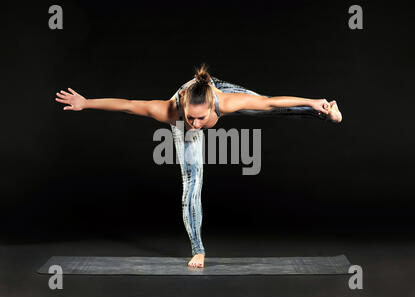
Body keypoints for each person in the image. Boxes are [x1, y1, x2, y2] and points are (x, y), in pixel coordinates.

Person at [55, 63, 342, 268]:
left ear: (211, 109)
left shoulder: (223, 101)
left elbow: (269, 103)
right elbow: (129, 104)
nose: (195, 124)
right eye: (190, 118)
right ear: (182, 108)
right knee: (192, 184)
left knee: (263, 107)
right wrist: (86, 102)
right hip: (184, 107)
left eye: (200, 119)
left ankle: (324, 112)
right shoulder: (171, 112)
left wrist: (312, 100)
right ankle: (198, 249)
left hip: (215, 90)